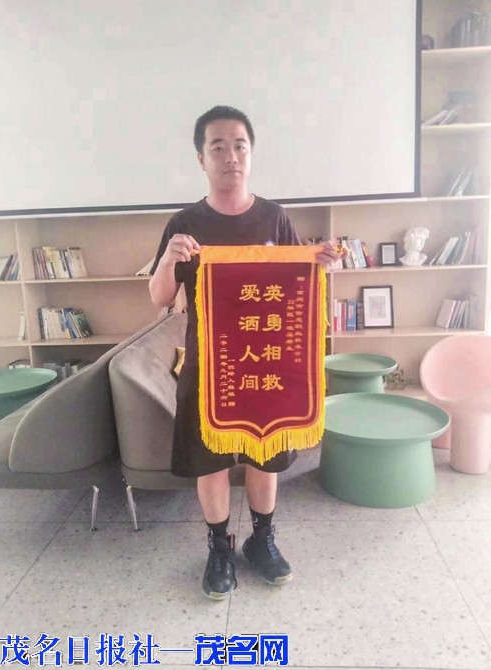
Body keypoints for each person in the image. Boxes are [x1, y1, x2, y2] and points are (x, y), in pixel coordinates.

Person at [149, 105, 341, 600]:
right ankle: (219, 547)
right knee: (210, 461)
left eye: (239, 146)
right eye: (218, 147)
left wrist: (319, 264)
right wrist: (169, 259)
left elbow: (298, 283)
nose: (230, 156)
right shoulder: (185, 222)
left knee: (266, 454)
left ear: (250, 154)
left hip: (268, 363)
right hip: (208, 364)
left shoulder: (274, 217)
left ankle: (262, 540)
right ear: (202, 159)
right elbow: (160, 297)